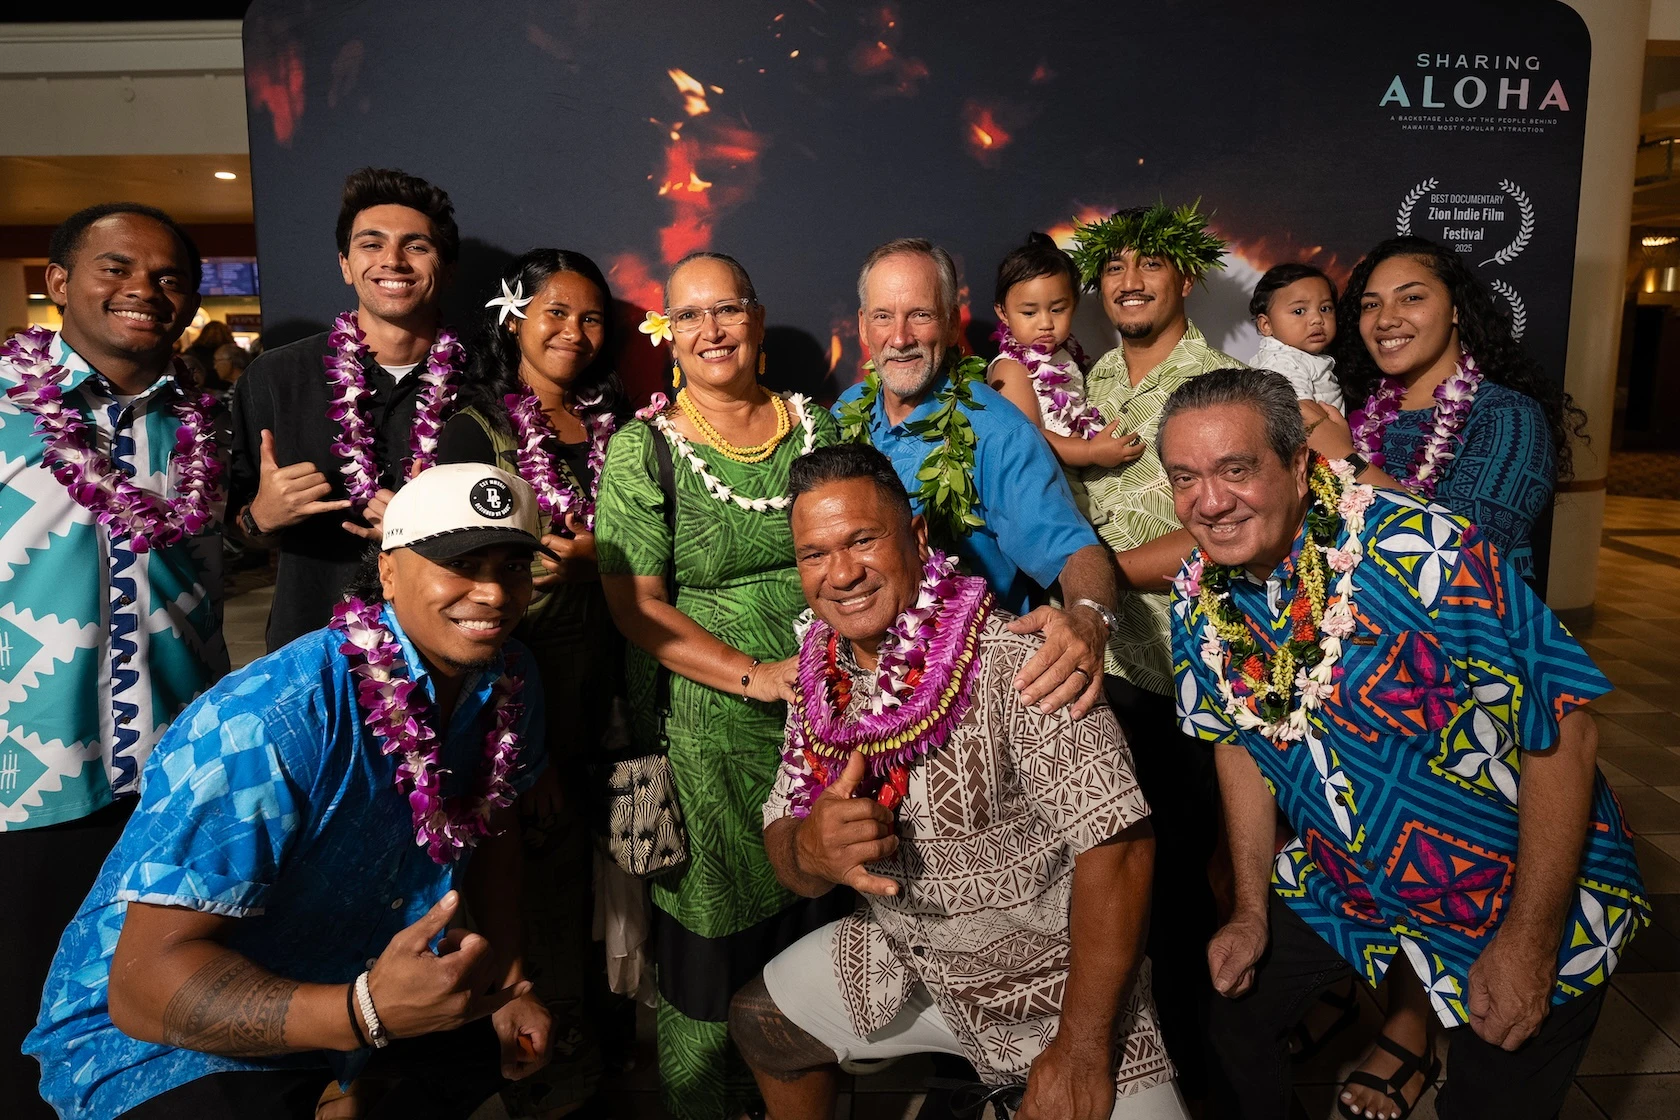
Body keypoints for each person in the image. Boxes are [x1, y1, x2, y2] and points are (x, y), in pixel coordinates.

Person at [1160, 368, 1649, 1120]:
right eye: (1185, 477)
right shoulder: (1197, 598)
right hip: (1343, 878)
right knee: (1229, 1018)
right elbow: (1235, 744)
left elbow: (1565, 733)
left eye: (1237, 469)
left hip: (1511, 889)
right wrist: (1251, 911)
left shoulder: (1423, 551)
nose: (1211, 501)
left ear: (1298, 465)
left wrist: (1527, 941)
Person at [25, 463, 556, 1120]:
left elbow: (493, 825)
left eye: (512, 566)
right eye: (462, 562)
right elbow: (144, 992)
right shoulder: (273, 717)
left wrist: (505, 983)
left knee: (481, 1052)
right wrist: (362, 1013)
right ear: (388, 571)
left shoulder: (509, 678)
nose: (494, 594)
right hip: (165, 1044)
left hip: (358, 985)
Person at [731, 443, 1185, 1120]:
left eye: (862, 540)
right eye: (815, 554)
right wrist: (810, 851)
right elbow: (784, 840)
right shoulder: (817, 679)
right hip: (909, 963)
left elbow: (1119, 847)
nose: (842, 573)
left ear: (915, 537)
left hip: (1061, 994)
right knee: (763, 1022)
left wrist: (1083, 1052)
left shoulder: (1020, 662)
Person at [594, 252, 848, 1120]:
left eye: (727, 310)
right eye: (690, 316)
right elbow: (636, 610)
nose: (711, 331)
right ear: (670, 335)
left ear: (757, 317)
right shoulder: (645, 450)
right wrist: (756, 674)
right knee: (708, 949)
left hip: (827, 725)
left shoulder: (818, 429)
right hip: (703, 739)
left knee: (815, 939)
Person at [0, 202, 229, 1120]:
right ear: (58, 284)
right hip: (30, 778)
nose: (144, 289)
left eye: (169, 276)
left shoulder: (200, 422)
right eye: (116, 267)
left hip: (172, 774)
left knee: (148, 1017)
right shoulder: (8, 405)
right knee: (22, 1018)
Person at [436, 248, 634, 1115]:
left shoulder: (617, 421)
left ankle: (620, 1071)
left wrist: (607, 566)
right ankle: (555, 1088)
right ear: (513, 315)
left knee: (615, 904)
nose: (574, 333)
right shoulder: (472, 425)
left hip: (617, 698)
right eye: (554, 312)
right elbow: (470, 594)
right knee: (539, 910)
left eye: (591, 318)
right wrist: (529, 754)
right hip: (522, 699)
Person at [1062, 201, 1240, 1100]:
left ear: (1186, 278)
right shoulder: (1088, 379)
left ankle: (1193, 1085)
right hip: (1103, 675)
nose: (1129, 282)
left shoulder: (1217, 386)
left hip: (1183, 680)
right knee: (1103, 885)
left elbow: (1220, 530)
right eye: (1114, 268)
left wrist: (1098, 585)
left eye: (1150, 267)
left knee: (1174, 895)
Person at [835, 237, 1118, 721]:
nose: (899, 337)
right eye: (883, 316)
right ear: (863, 325)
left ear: (950, 323)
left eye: (919, 315)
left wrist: (1090, 618)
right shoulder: (844, 416)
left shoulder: (997, 431)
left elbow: (1077, 552)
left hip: (966, 692)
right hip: (858, 688)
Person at [229, 167, 468, 651]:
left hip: (453, 649)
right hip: (313, 651)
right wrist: (261, 516)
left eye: (416, 246)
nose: (393, 261)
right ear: (345, 264)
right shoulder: (275, 378)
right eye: (371, 244)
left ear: (446, 267)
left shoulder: (488, 381)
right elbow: (230, 533)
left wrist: (419, 527)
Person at [1312, 235, 1584, 587]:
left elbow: (1468, 556)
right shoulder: (1353, 413)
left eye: (1411, 298)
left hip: (1462, 637)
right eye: (1370, 305)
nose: (1385, 320)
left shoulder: (1509, 417)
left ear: (1456, 308)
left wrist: (1347, 460)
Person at [985, 232, 1139, 471]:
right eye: (1029, 313)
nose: (1046, 322)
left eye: (1057, 309)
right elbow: (1030, 438)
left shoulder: (1065, 354)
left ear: (1073, 305)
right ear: (1003, 313)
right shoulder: (1011, 369)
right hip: (1047, 480)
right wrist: (1090, 452)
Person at [1247, 263, 1342, 409]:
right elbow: (1303, 414)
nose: (1317, 318)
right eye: (1299, 311)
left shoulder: (1300, 357)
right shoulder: (1282, 362)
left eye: (1325, 308)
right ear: (1266, 325)